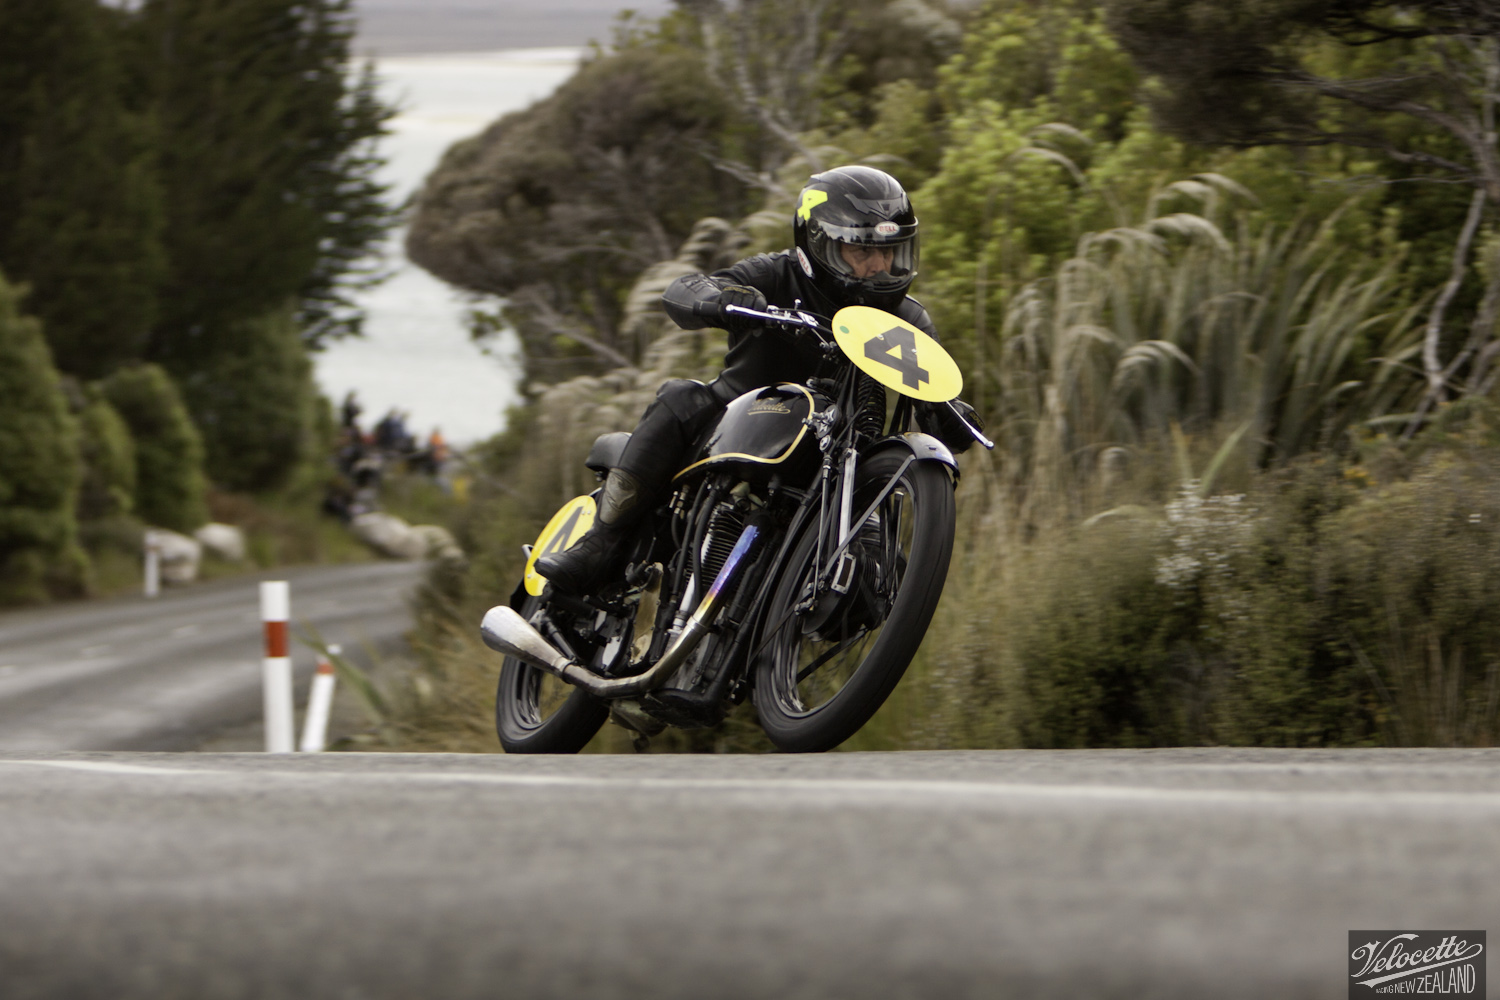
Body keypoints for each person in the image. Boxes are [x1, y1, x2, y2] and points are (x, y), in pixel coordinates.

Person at [536, 165, 981, 596]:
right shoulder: (775, 273)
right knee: (678, 397)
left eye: (889, 251)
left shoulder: (908, 319)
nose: (879, 266)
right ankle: (601, 543)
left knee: (878, 585)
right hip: (735, 421)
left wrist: (947, 412)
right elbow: (686, 289)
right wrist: (721, 299)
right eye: (863, 252)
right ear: (819, 243)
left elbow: (938, 401)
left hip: (836, 464)